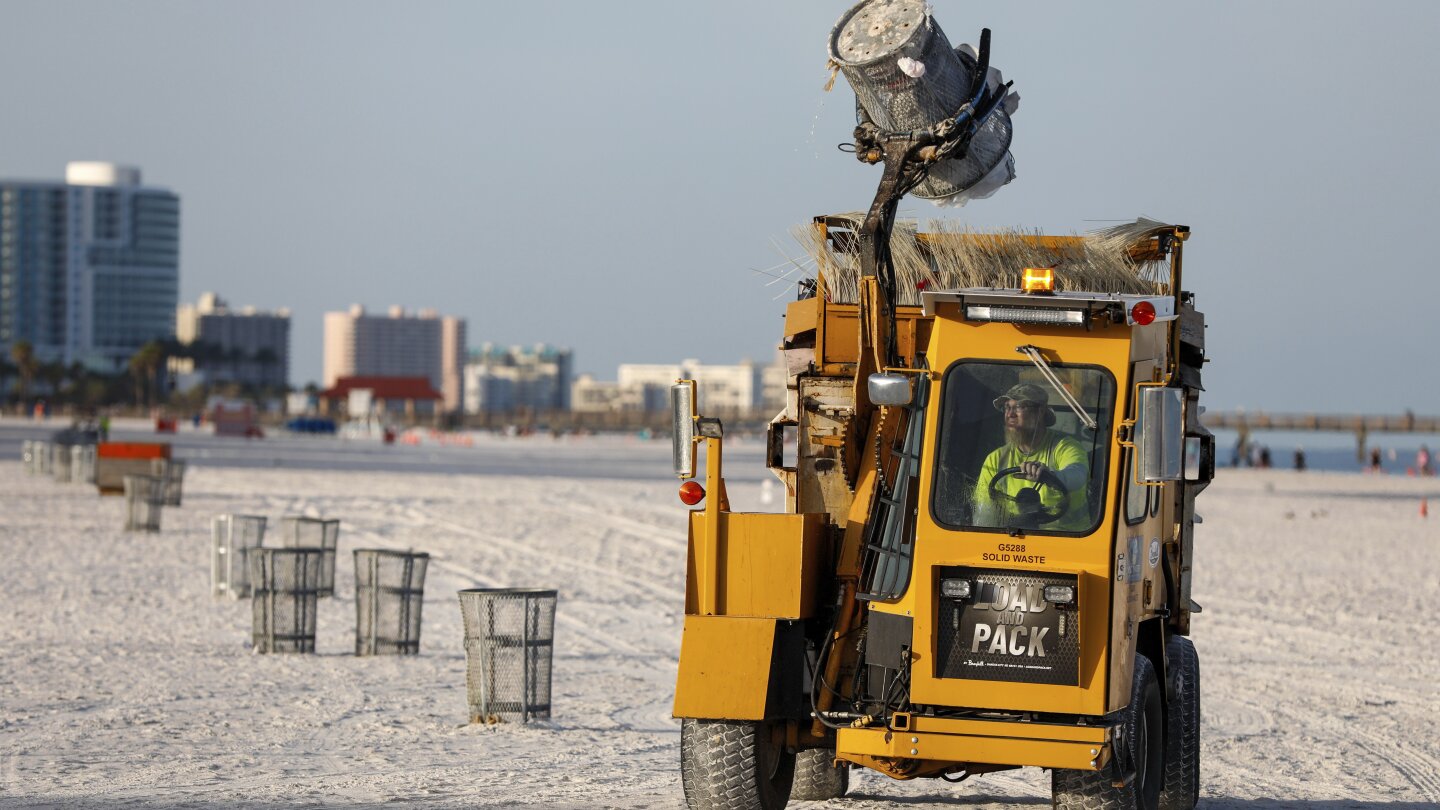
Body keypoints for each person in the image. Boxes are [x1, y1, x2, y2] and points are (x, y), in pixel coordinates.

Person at [973, 383, 1089, 530]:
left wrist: (1050, 476)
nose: (1010, 414)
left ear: (1040, 412)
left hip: (1069, 541)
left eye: (1019, 407)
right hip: (1017, 542)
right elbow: (983, 514)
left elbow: (1078, 475)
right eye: (1007, 408)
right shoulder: (995, 459)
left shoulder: (1064, 447)